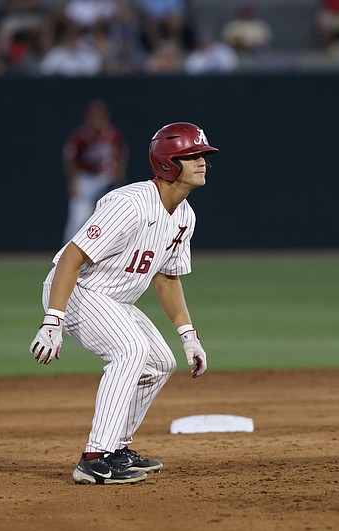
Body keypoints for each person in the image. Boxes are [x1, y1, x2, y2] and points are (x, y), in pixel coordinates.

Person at [29, 121, 215, 485]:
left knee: (160, 362)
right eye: (192, 156)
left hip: (114, 299)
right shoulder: (130, 203)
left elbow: (167, 277)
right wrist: (52, 321)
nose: (202, 161)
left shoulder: (185, 217)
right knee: (130, 350)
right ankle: (94, 457)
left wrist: (188, 335)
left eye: (203, 155)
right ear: (168, 164)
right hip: (77, 290)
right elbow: (71, 257)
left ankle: (115, 448)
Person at [60, 99, 127, 244]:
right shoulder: (81, 136)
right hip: (85, 180)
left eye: (100, 117)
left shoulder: (113, 134)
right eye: (94, 117)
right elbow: (69, 158)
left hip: (106, 179)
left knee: (112, 217)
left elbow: (121, 155)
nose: (97, 121)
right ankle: (65, 255)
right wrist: (73, 183)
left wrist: (119, 178)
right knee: (78, 219)